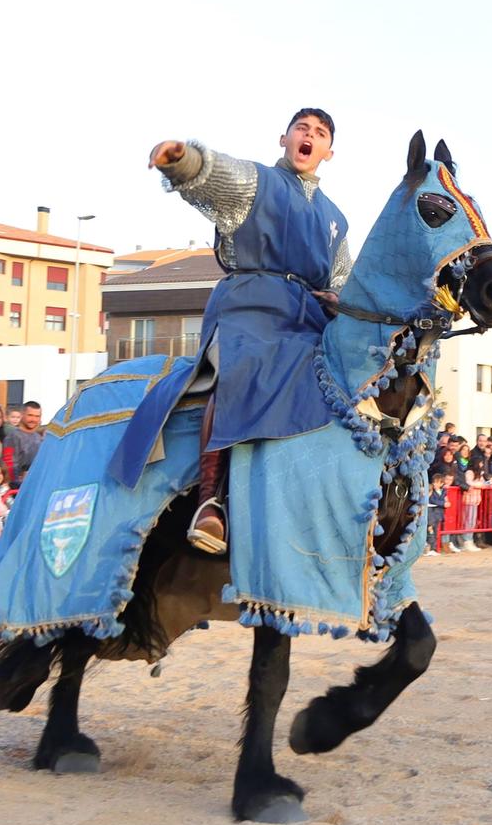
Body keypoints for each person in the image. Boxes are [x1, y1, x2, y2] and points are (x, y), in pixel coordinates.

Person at [119, 108, 353, 556]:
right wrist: (182, 160)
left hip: (308, 316)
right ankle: (212, 499)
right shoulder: (257, 182)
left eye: (319, 133)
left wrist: (340, 301)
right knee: (245, 367)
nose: (309, 136)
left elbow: (341, 279)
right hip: (251, 305)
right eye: (302, 128)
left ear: (329, 151)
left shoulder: (336, 220)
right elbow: (214, 174)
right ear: (284, 138)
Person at [2, 401, 44, 482]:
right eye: (30, 415)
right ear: (22, 415)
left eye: (37, 416)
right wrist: (16, 483)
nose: (33, 419)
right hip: (18, 487)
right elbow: (9, 465)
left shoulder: (39, 438)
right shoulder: (13, 437)